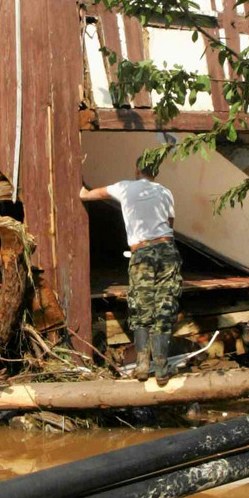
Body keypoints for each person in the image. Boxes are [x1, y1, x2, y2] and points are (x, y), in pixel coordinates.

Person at [80, 156, 182, 386]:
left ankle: (143, 366)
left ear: (137, 169)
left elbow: (92, 194)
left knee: (141, 305)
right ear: (156, 171)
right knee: (165, 305)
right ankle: (162, 368)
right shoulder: (166, 192)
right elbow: (170, 223)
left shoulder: (125, 187)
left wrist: (81, 191)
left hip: (142, 252)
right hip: (166, 249)